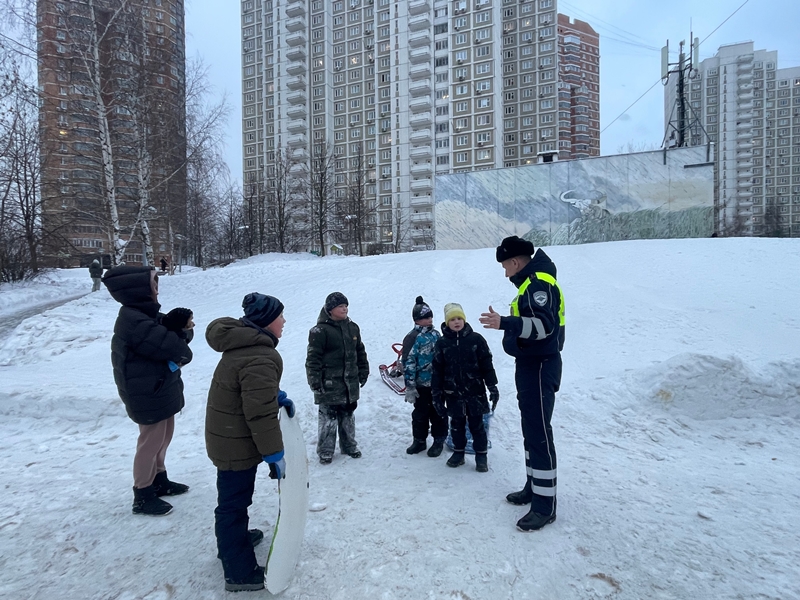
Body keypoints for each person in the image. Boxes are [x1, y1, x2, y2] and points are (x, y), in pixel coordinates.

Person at [205, 292, 295, 592]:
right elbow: (259, 414)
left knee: (234, 499)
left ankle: (234, 543)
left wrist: (273, 395)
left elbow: (251, 393)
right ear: (267, 321)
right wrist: (275, 453)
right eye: (280, 316)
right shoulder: (259, 356)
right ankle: (238, 571)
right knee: (233, 503)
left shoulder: (247, 346)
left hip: (229, 435)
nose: (284, 321)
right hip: (235, 441)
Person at [479, 236, 565, 532]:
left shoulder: (538, 285)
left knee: (539, 432)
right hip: (531, 364)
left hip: (540, 365)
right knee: (531, 428)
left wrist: (505, 323)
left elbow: (543, 327)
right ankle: (534, 486)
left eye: (505, 266)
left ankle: (544, 506)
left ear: (515, 262)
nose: (506, 273)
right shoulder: (531, 283)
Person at [102, 266, 194, 517]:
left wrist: (178, 326)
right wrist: (178, 333)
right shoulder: (134, 321)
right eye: (153, 284)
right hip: (146, 392)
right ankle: (142, 493)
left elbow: (177, 338)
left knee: (163, 437)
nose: (157, 289)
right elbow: (173, 347)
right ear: (138, 290)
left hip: (159, 387)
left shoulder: (146, 315)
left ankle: (158, 479)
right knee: (150, 442)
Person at [432, 303, 499, 473]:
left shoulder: (476, 340)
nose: (456, 322)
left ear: (464, 320)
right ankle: (458, 453)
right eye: (452, 319)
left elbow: (487, 365)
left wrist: (492, 386)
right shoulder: (442, 343)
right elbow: (437, 371)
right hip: (453, 393)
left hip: (475, 391)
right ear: (447, 322)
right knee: (457, 425)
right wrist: (436, 394)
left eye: (459, 318)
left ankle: (481, 456)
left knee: (477, 426)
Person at [306, 292, 369, 464]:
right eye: (340, 306)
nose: (345, 309)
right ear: (330, 310)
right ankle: (326, 450)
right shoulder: (320, 331)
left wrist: (363, 371)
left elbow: (360, 351)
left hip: (349, 382)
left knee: (348, 415)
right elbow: (313, 358)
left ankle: (349, 445)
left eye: (346, 306)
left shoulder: (353, 328)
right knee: (329, 418)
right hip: (329, 383)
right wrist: (314, 380)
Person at [402, 296, 446, 457]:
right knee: (420, 414)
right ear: (416, 320)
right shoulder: (412, 337)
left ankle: (439, 440)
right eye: (425, 317)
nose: (429, 320)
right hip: (421, 385)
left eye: (430, 316)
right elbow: (408, 361)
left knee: (438, 413)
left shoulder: (436, 334)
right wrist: (410, 385)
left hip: (437, 384)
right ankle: (419, 440)